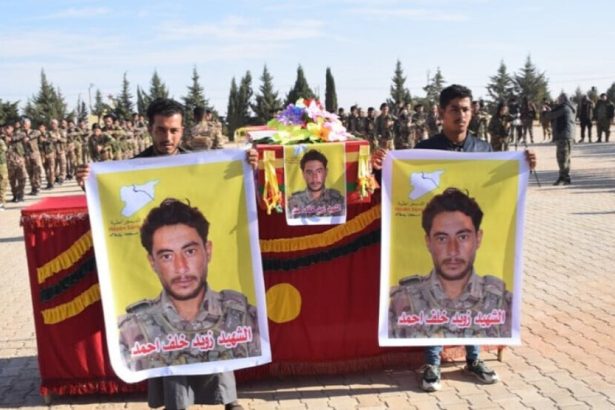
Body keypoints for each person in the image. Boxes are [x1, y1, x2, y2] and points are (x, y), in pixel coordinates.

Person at [77, 98, 257, 410]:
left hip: (200, 283)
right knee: (168, 325)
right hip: (157, 282)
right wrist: (89, 184)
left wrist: (248, 164)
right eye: (161, 130)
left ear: (182, 130)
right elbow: (109, 202)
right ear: (150, 129)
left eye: (173, 130)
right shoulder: (130, 170)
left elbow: (227, 188)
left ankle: (229, 399)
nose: (167, 137)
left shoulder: (198, 165)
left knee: (214, 316)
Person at [373, 84, 536, 393]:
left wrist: (524, 165)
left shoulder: (484, 151)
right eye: (454, 110)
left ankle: (474, 359)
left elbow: (501, 187)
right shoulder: (425, 150)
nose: (461, 115)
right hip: (437, 240)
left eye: (465, 109)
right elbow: (400, 182)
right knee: (435, 296)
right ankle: (432, 363)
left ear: (472, 112)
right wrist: (381, 168)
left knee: (473, 294)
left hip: (467, 243)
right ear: (441, 113)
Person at [119, 198, 260, 371]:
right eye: (167, 256)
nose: (181, 268)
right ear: (152, 262)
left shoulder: (245, 316)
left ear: (208, 251)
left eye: (190, 251)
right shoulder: (131, 329)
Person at [389, 187, 512, 339]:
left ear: (478, 238)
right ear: (428, 242)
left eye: (462, 237)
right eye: (442, 238)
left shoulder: (502, 302)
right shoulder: (402, 301)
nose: (452, 250)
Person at [287, 149, 344, 218]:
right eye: (309, 172)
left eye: (319, 171)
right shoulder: (293, 202)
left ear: (326, 172)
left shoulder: (339, 200)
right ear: (303, 174)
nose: (314, 177)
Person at [543, 93, 575, 185]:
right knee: (565, 158)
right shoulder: (569, 107)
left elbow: (551, 116)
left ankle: (564, 177)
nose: (558, 101)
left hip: (564, 136)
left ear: (563, 100)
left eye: (559, 99)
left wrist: (544, 112)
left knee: (562, 158)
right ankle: (565, 177)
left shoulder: (564, 108)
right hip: (566, 136)